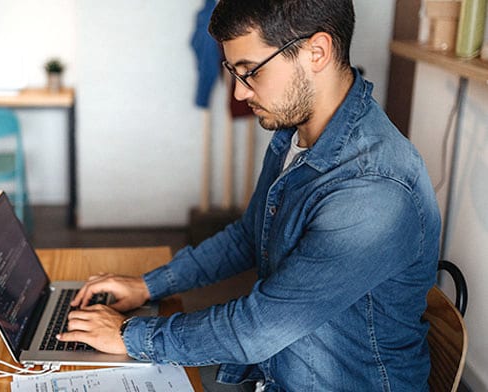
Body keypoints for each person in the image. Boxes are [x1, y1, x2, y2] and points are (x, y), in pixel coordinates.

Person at [57, 0, 442, 390]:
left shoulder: (372, 188)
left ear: (317, 52)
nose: (240, 94)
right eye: (233, 72)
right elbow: (249, 235)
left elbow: (258, 329)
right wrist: (148, 286)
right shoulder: (296, 134)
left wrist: (129, 335)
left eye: (250, 72)